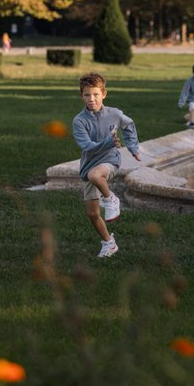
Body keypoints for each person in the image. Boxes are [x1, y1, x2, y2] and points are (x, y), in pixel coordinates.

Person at [72, 72, 141, 258]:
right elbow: (87, 146)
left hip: (110, 161)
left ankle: (111, 199)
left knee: (96, 176)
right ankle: (109, 243)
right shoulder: (79, 121)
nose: (91, 99)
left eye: (95, 94)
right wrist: (109, 142)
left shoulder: (115, 114)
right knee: (93, 215)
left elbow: (129, 125)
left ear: (104, 94)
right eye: (87, 94)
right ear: (81, 96)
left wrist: (133, 146)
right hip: (89, 164)